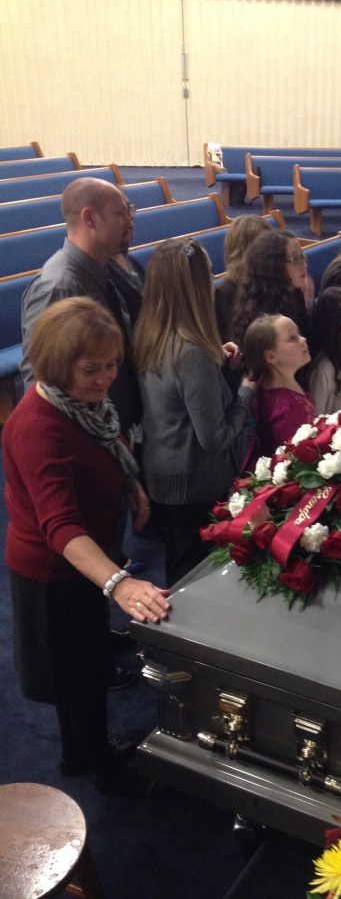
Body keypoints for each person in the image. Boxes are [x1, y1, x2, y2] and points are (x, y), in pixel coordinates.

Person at [3, 297, 171, 797]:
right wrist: (119, 583)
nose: (105, 379)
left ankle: (77, 751)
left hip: (85, 564)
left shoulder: (81, 404)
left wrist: (130, 486)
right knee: (82, 675)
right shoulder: (38, 426)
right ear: (57, 364)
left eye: (111, 365)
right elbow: (59, 525)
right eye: (91, 368)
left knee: (80, 666)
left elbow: (106, 447)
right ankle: (102, 765)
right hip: (53, 572)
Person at [132, 237, 257, 587]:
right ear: (193, 287)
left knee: (179, 558)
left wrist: (214, 354)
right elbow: (214, 437)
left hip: (163, 470)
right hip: (194, 482)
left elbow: (175, 391)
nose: (214, 283)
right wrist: (247, 390)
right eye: (207, 275)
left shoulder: (151, 333)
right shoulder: (192, 354)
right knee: (192, 577)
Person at [20, 177, 141, 433]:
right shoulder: (59, 286)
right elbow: (41, 379)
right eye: (120, 214)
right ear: (90, 219)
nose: (129, 223)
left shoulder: (104, 268)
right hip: (84, 436)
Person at [242, 314, 316, 466]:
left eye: (299, 334)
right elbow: (294, 464)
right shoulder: (284, 407)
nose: (303, 339)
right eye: (292, 338)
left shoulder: (283, 387)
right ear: (271, 357)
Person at [230, 229, 311, 348]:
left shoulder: (294, 292)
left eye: (302, 257)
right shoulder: (264, 315)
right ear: (275, 266)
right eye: (295, 259)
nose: (304, 265)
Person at [214, 214, 273, 343]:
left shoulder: (274, 280)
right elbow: (233, 341)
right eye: (263, 246)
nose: (271, 252)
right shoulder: (226, 292)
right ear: (243, 251)